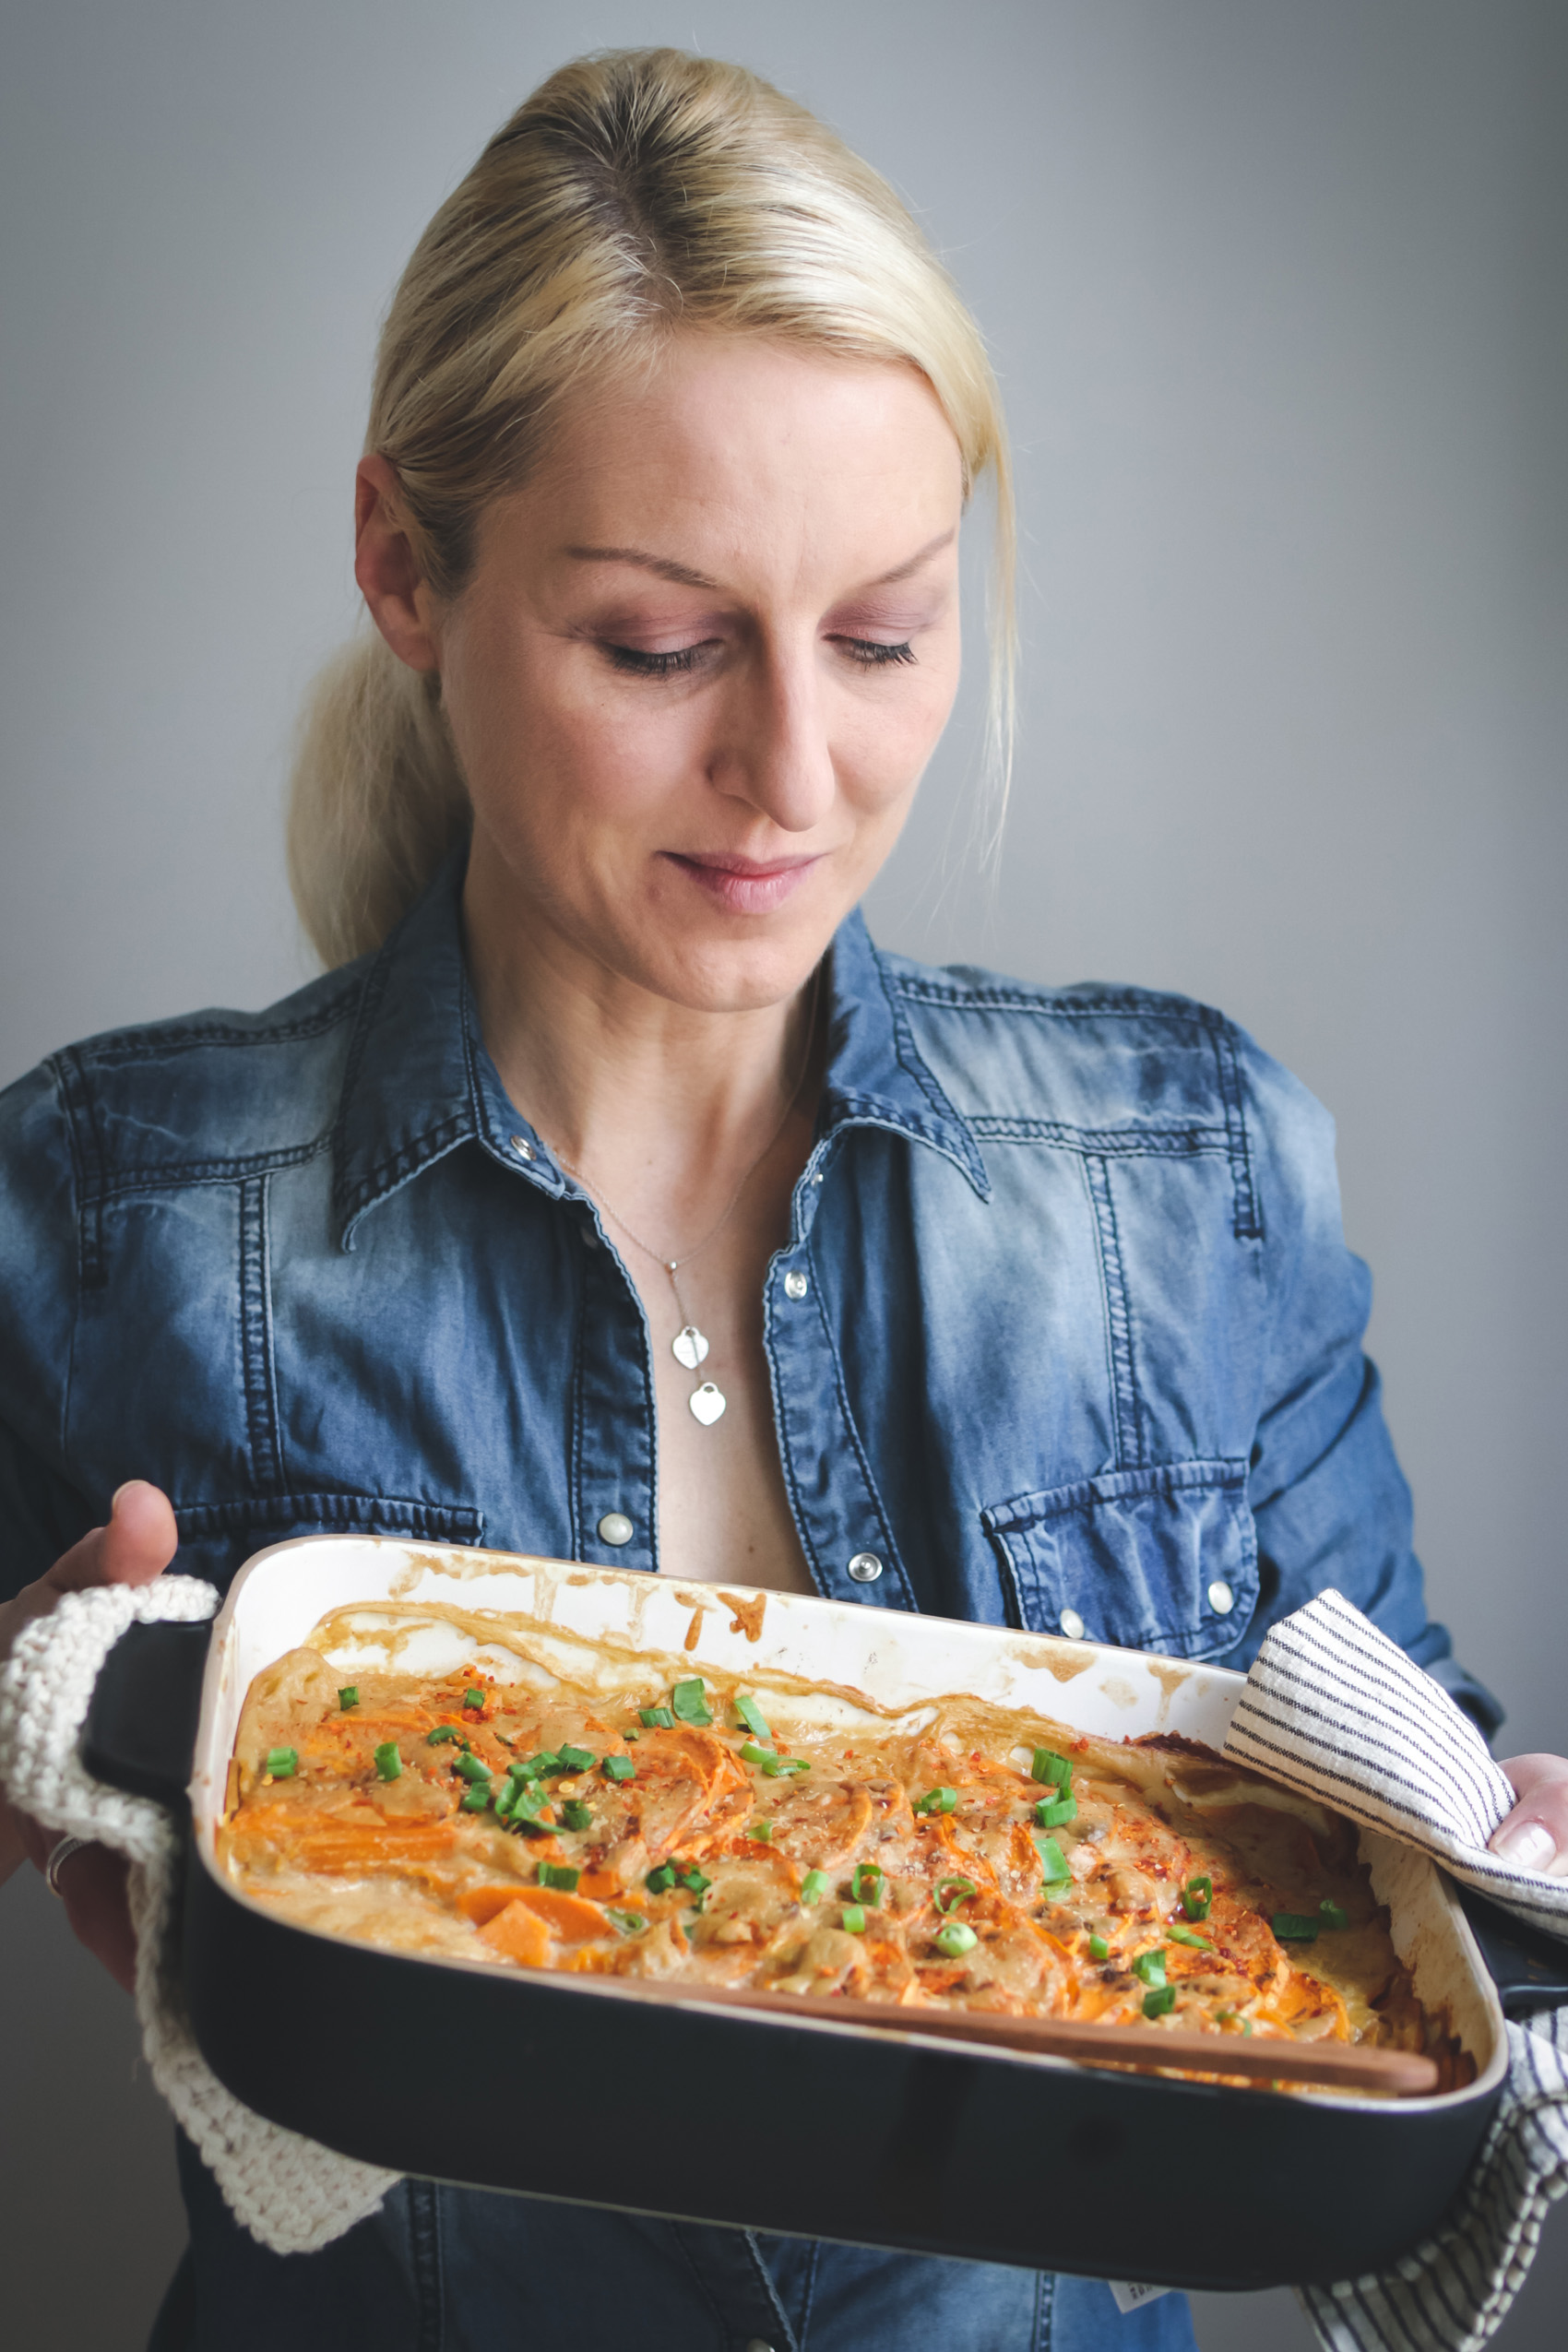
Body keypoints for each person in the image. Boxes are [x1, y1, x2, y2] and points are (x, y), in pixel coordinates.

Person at [1, 45, 1563, 2352]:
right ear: (402, 566)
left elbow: (1402, 1821)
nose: (793, 778)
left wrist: (1504, 1845)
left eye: (883, 633)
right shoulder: (103, 1206)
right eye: (658, 645)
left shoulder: (1197, 1167)